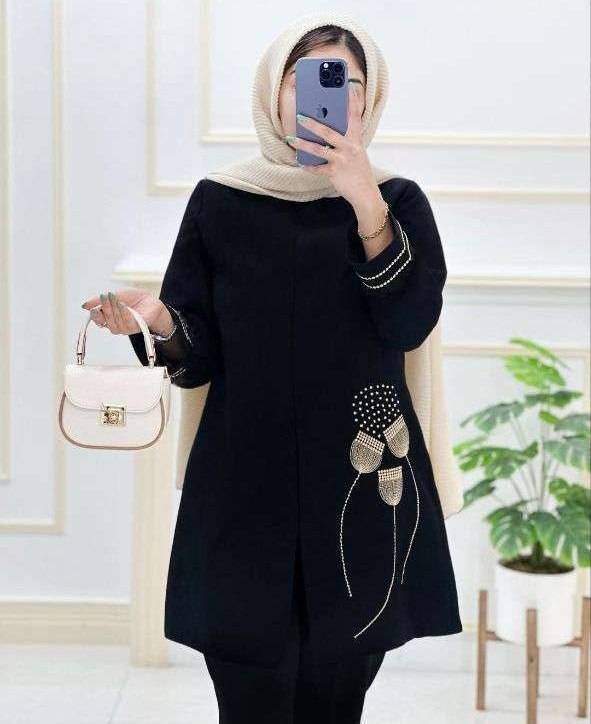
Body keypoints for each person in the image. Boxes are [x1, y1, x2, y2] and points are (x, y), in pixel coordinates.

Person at [81, 11, 463, 724]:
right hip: (242, 487)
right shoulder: (221, 200)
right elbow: (196, 358)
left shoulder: (397, 201)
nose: (326, 96)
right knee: (247, 699)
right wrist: (156, 320)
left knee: (336, 700)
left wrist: (365, 203)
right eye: (305, 78)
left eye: (345, 81)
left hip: (357, 490)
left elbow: (408, 323)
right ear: (273, 92)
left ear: (370, 97)